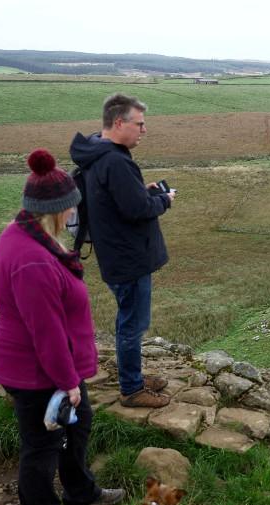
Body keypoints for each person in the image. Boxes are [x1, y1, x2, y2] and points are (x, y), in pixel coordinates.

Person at [0, 149, 125, 505]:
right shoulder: (32, 261)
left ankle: (81, 492)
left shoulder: (25, 235)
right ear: (55, 210)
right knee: (43, 445)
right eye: (70, 209)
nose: (73, 216)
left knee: (77, 428)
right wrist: (67, 382)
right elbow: (45, 333)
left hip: (47, 365)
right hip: (38, 371)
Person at [70, 93, 175, 408]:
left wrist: (140, 191)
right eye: (139, 124)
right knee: (132, 323)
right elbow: (136, 209)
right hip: (128, 257)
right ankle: (131, 389)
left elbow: (117, 200)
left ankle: (133, 375)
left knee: (127, 319)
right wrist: (164, 200)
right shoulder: (115, 160)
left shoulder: (96, 151)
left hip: (114, 252)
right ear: (119, 123)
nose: (144, 131)